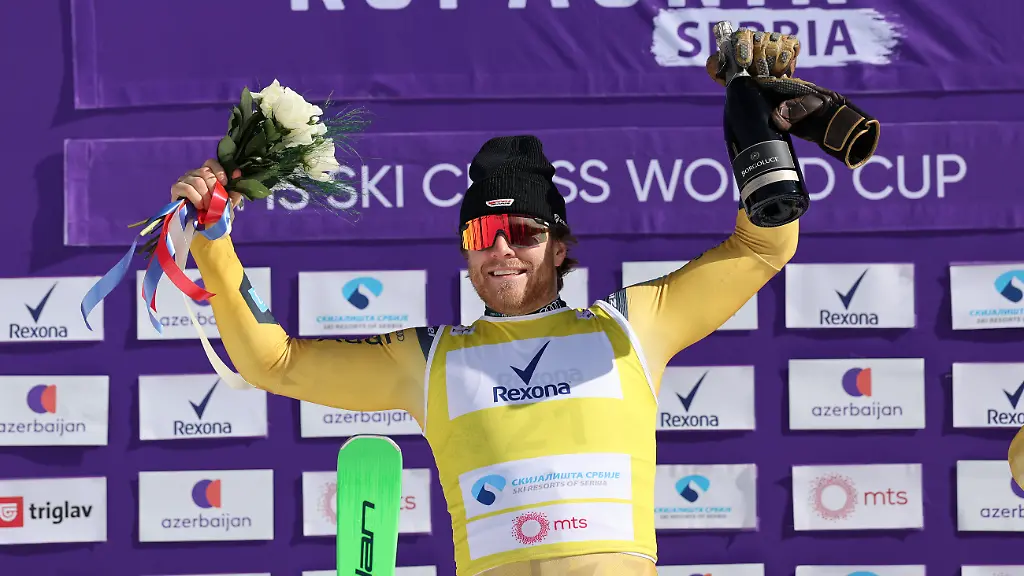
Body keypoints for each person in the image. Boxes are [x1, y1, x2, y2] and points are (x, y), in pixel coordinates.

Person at [173, 30, 874, 576]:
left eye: (523, 232)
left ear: (560, 246)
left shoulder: (632, 327)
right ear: (464, 250)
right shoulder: (429, 360)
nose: (502, 249)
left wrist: (760, 137)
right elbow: (276, 362)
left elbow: (761, 248)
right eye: (483, 232)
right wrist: (213, 238)